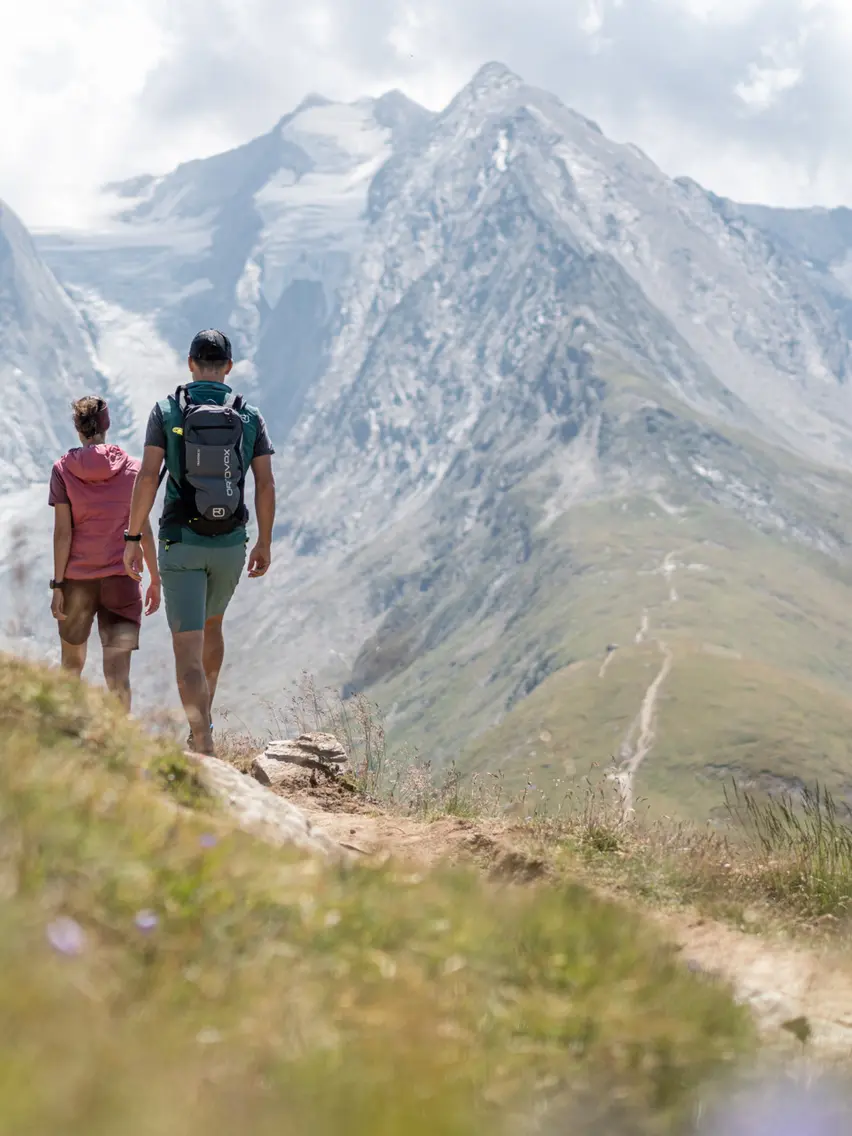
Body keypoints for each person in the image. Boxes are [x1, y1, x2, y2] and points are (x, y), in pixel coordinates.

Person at [124, 329, 276, 756]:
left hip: (180, 542)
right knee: (213, 628)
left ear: (190, 362)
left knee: (185, 644)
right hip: (230, 543)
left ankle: (202, 737)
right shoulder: (250, 416)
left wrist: (133, 536)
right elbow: (264, 484)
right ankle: (203, 725)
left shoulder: (167, 410)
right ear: (229, 367)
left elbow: (148, 476)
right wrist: (264, 540)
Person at [49, 396, 161, 710]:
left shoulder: (62, 470)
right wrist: (155, 577)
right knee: (118, 677)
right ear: (106, 425)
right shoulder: (133, 470)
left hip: (76, 584)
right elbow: (145, 529)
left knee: (71, 667)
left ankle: (65, 743)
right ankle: (121, 753)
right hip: (121, 582)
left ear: (78, 428)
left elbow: (62, 533)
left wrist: (58, 586)